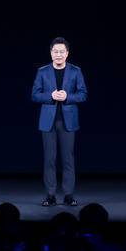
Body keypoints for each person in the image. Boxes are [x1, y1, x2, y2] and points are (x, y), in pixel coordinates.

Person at [31, 37, 87, 207]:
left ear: (67, 53)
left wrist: (68, 96)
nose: (58, 54)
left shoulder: (76, 71)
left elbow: (83, 94)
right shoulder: (42, 71)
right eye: (55, 51)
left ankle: (68, 195)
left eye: (62, 51)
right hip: (48, 121)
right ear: (51, 53)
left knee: (68, 158)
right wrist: (51, 96)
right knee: (49, 158)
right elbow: (34, 95)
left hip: (68, 121)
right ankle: (50, 195)